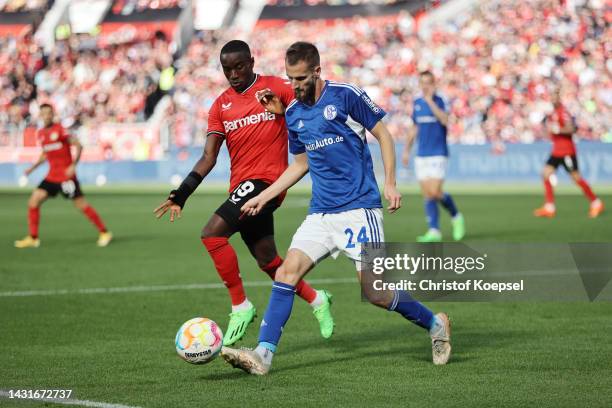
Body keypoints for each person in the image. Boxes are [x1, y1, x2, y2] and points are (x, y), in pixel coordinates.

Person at [221, 42, 451, 375]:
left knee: (375, 292)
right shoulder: (294, 114)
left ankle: (435, 323)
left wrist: (390, 182)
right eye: (290, 78)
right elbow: (299, 164)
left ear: (317, 70)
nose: (295, 85)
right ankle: (263, 355)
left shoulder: (345, 96)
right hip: (320, 214)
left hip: (360, 211)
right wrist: (265, 195)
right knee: (287, 273)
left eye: (300, 78)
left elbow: (384, 136)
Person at [154, 40, 334, 346]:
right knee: (269, 262)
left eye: (240, 66)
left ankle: (241, 306)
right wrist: (182, 193)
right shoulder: (220, 106)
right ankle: (318, 300)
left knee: (212, 234)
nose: (234, 74)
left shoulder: (278, 86)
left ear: (251, 61)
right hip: (242, 187)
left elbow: (314, 102)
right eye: (227, 69)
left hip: (268, 183)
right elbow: (208, 157)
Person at [14, 103, 112, 248]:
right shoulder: (40, 134)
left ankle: (104, 232)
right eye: (44, 113)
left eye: (49, 113)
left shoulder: (60, 130)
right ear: (40, 115)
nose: (47, 116)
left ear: (53, 114)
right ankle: (33, 238)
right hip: (51, 177)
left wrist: (73, 165)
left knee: (81, 205)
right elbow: (45, 154)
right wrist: (32, 169)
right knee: (33, 201)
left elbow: (79, 145)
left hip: (66, 177)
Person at [402, 71, 464, 242]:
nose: (425, 86)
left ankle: (456, 215)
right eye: (422, 82)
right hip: (422, 154)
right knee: (428, 194)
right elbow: (414, 127)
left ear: (434, 84)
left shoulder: (440, 100)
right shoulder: (417, 103)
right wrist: (407, 150)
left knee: (436, 192)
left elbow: (445, 120)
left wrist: (430, 101)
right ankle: (434, 231)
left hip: (438, 152)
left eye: (428, 82)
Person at [533, 88, 603, 218]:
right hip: (556, 151)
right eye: (551, 97)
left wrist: (557, 130)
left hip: (566, 152)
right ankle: (549, 207)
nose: (553, 99)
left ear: (559, 98)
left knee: (576, 178)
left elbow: (572, 128)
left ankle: (596, 202)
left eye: (555, 97)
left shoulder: (563, 112)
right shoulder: (553, 113)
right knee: (545, 174)